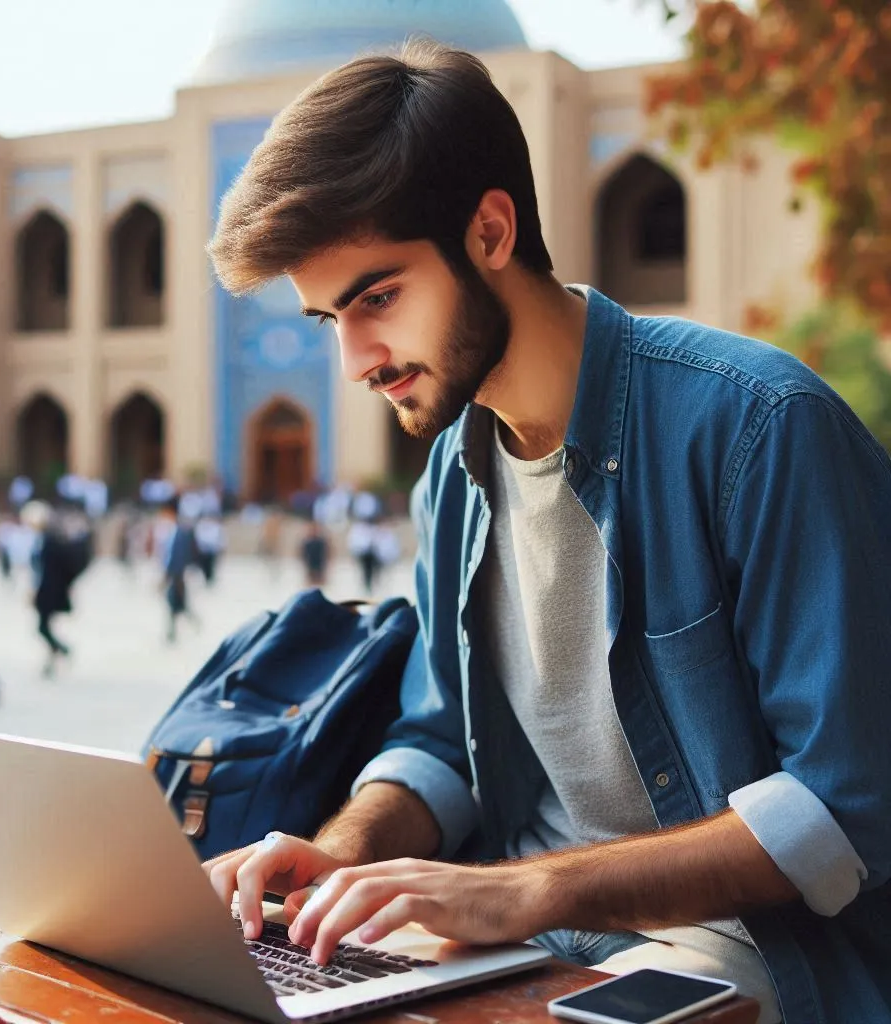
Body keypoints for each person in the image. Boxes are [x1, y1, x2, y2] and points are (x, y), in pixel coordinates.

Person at [202, 43, 891, 1024]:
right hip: (501, 941)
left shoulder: (755, 426)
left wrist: (528, 890)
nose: (355, 360)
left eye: (378, 298)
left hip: (738, 951)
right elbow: (440, 736)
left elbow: (846, 809)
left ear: (489, 230)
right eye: (325, 321)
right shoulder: (452, 467)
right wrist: (346, 848)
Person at [20, 501, 74, 677]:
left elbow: (49, 571)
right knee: (44, 627)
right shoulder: (41, 540)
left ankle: (60, 650)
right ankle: (53, 657)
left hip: (49, 591)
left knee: (43, 627)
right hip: (45, 590)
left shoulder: (50, 541)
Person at [158, 497, 197, 643]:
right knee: (174, 603)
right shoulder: (170, 530)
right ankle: (173, 631)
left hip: (176, 575)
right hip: (173, 574)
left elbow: (179, 557)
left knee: (176, 602)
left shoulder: (180, 532)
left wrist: (171, 576)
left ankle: (176, 630)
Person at [300, 520, 330, 587]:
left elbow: (326, 553)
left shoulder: (321, 541)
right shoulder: (307, 542)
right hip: (310, 566)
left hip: (319, 566)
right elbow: (303, 555)